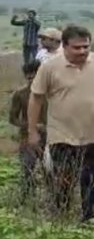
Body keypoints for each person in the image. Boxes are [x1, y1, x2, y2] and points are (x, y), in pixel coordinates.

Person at [28, 25, 94, 222]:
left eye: (86, 47)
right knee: (63, 180)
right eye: (77, 48)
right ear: (65, 46)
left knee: (91, 180)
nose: (83, 51)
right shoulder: (50, 67)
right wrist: (32, 131)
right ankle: (61, 216)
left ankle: (90, 219)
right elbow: (36, 98)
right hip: (62, 135)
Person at [9, 60, 47, 204]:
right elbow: (13, 119)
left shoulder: (51, 94)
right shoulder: (20, 94)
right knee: (27, 169)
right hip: (27, 138)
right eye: (29, 77)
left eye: (35, 76)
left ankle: (53, 201)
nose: (32, 80)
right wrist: (31, 126)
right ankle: (26, 201)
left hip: (50, 137)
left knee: (50, 170)